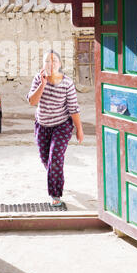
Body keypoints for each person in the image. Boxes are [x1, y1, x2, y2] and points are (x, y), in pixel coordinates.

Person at [27, 50, 84, 206]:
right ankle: (56, 176)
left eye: (54, 61)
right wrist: (42, 85)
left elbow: (73, 108)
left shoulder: (67, 82)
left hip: (62, 125)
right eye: (47, 61)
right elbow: (32, 101)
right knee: (46, 160)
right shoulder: (38, 79)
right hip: (42, 125)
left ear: (60, 64)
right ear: (43, 64)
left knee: (55, 158)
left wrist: (79, 129)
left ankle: (55, 195)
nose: (50, 64)